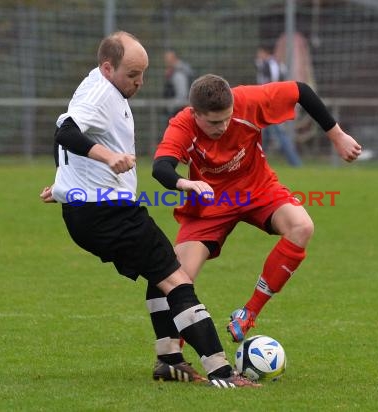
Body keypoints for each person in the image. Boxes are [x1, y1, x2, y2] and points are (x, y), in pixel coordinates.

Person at [39, 32, 259, 388]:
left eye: (143, 73)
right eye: (132, 74)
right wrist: (108, 157)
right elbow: (65, 131)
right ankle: (222, 372)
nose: (139, 82)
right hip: (109, 213)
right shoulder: (100, 93)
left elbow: (68, 134)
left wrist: (66, 186)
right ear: (108, 67)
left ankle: (169, 362)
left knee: (161, 273)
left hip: (88, 211)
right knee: (176, 279)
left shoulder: (97, 85)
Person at [148, 74, 361, 366]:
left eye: (226, 118)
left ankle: (249, 313)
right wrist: (185, 185)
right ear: (195, 113)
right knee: (175, 280)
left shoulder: (248, 101)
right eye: (213, 122)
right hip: (209, 203)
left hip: (258, 189)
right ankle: (173, 358)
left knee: (302, 226)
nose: (222, 127)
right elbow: (161, 167)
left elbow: (300, 91)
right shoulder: (182, 125)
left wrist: (337, 135)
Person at [255, 45, 302, 167]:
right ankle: (257, 162)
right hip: (270, 102)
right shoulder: (272, 64)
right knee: (264, 134)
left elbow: (273, 83)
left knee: (278, 134)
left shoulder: (270, 64)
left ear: (265, 52)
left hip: (271, 104)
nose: (258, 56)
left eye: (260, 53)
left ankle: (295, 162)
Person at [163, 49, 194, 118]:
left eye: (168, 59)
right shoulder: (177, 71)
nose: (166, 61)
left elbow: (182, 95)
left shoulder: (178, 74)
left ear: (174, 58)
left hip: (178, 111)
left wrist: (171, 108)